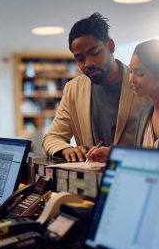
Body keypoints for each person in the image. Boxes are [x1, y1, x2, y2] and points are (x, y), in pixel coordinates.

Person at [42, 13, 146, 162]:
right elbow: (52, 137)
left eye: (94, 53)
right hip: (89, 180)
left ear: (110, 46)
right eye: (80, 58)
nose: (88, 63)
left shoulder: (142, 82)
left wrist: (115, 155)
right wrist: (66, 149)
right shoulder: (73, 89)